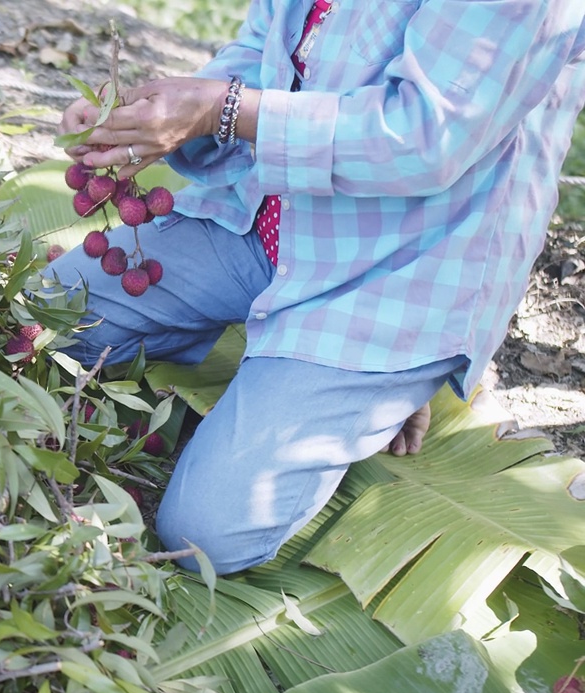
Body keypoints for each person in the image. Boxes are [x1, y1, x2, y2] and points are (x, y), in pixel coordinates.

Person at [47, 0, 585, 574]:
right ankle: (353, 388)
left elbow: (425, 137)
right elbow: (267, 46)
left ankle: (392, 378)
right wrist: (150, 115)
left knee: (204, 536)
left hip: (397, 270)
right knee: (46, 313)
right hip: (268, 220)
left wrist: (217, 110)